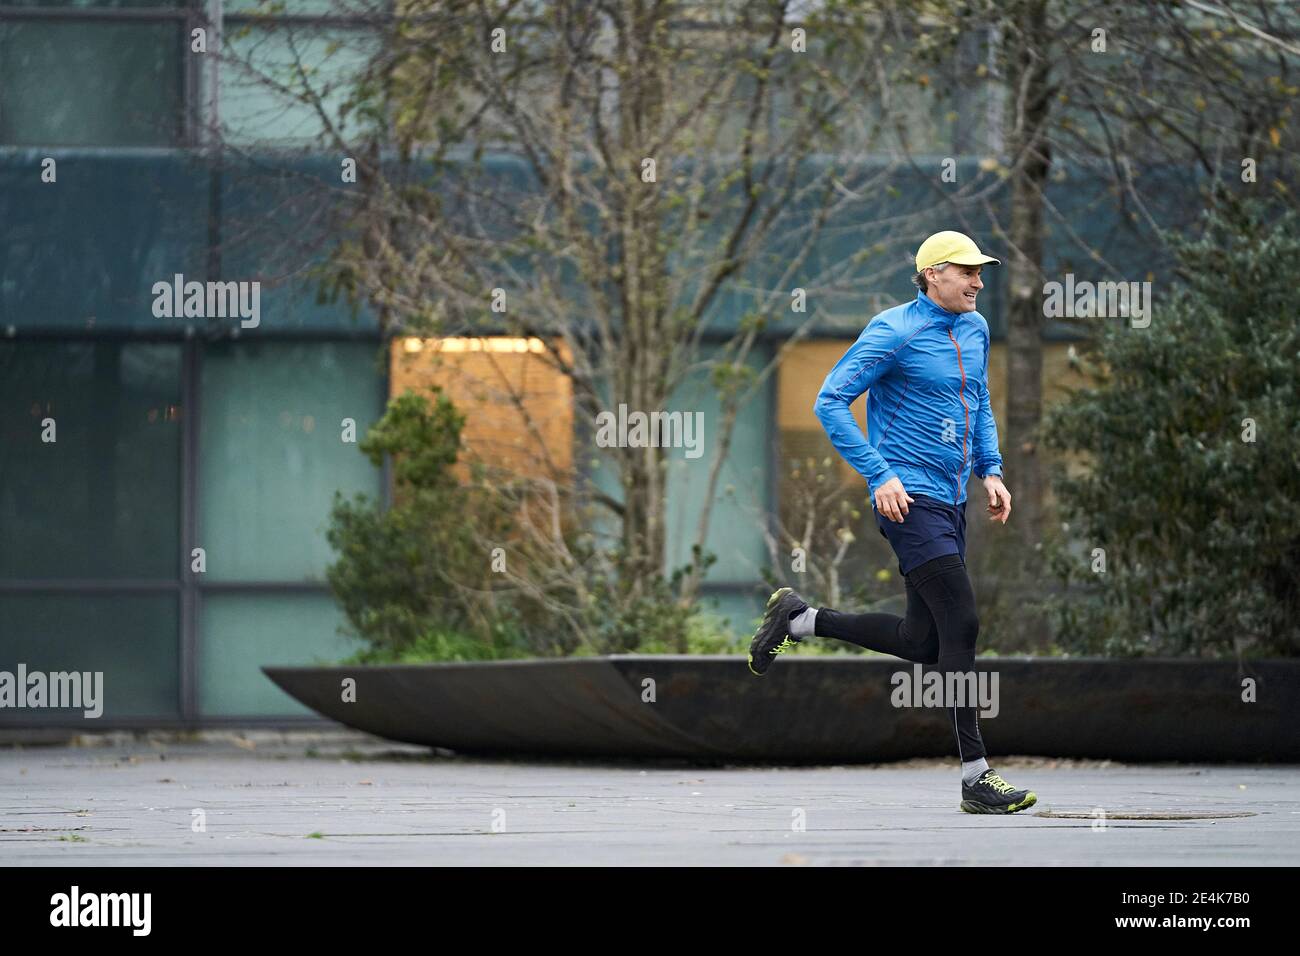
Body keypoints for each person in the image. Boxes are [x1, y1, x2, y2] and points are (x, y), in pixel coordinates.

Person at [747, 230, 1036, 815]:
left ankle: (800, 619)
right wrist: (880, 475)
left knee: (922, 640)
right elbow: (830, 399)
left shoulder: (975, 329)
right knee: (962, 617)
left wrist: (992, 471)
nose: (979, 282)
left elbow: (976, 400)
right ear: (932, 274)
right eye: (966, 271)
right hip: (906, 501)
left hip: (952, 500)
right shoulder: (894, 330)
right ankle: (976, 775)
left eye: (981, 271)